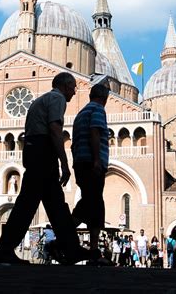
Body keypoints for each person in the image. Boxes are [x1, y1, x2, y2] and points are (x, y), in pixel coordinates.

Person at [0, 72, 93, 265]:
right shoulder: (57, 99)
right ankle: (4, 249)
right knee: (29, 204)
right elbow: (55, 130)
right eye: (73, 87)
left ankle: (70, 248)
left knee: (54, 204)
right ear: (64, 86)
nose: (74, 92)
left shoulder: (41, 100)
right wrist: (64, 163)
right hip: (42, 153)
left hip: (34, 151)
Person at [71, 83, 110, 260]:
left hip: (80, 163)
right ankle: (91, 249)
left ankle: (66, 238)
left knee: (88, 202)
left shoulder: (80, 114)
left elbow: (73, 144)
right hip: (92, 163)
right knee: (94, 204)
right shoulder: (98, 110)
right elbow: (95, 132)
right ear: (105, 97)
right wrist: (96, 160)